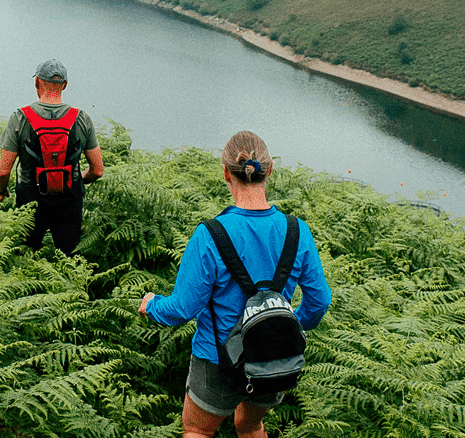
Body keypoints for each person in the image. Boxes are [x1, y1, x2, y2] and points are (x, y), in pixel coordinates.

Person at [139, 131, 330, 438]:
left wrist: (152, 306)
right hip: (273, 361)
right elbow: (319, 301)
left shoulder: (210, 235)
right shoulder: (298, 231)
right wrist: (286, 330)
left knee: (198, 430)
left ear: (225, 172)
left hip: (216, 359)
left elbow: (183, 308)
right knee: (250, 424)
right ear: (269, 170)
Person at [0, 59, 104, 255]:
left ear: (36, 82)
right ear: (65, 85)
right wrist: (78, 179)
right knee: (70, 260)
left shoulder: (20, 117)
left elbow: (3, 171)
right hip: (70, 199)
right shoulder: (81, 118)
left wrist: (0, 192)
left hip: (30, 200)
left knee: (25, 257)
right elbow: (98, 170)